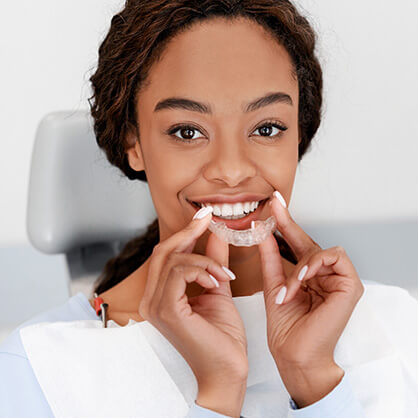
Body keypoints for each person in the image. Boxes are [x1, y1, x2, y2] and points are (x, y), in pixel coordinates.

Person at [1, 1, 417, 417]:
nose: (232, 171)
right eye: (187, 131)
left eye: (267, 128)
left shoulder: (398, 329)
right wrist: (218, 393)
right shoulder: (38, 367)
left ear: (298, 135)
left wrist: (315, 380)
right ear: (134, 143)